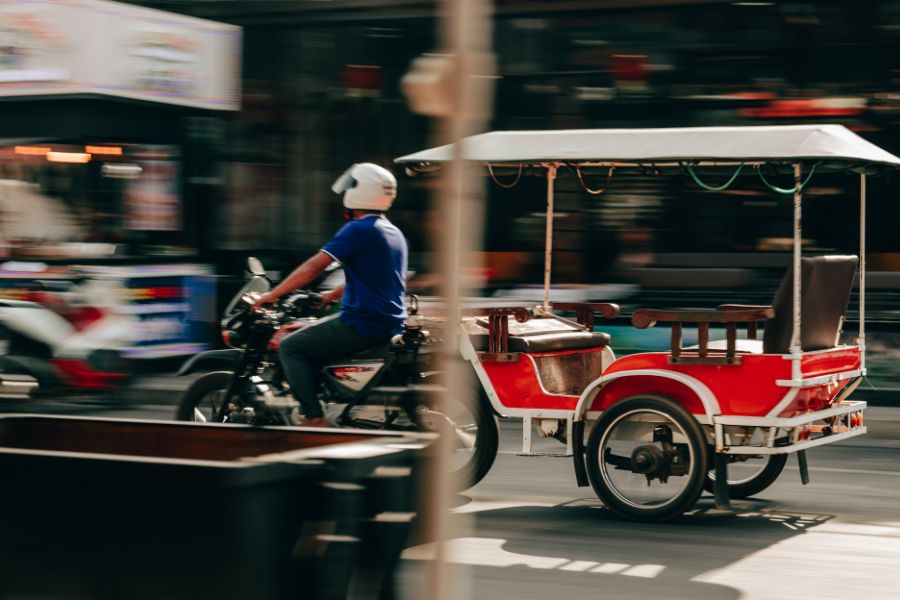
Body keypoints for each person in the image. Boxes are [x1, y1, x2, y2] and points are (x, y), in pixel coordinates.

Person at [252, 163, 408, 427]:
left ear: (359, 192)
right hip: (388, 321)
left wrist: (272, 295)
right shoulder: (392, 231)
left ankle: (313, 417)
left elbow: (314, 267)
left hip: (363, 323)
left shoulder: (359, 229)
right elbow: (374, 277)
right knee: (311, 334)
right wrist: (331, 296)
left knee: (291, 346)